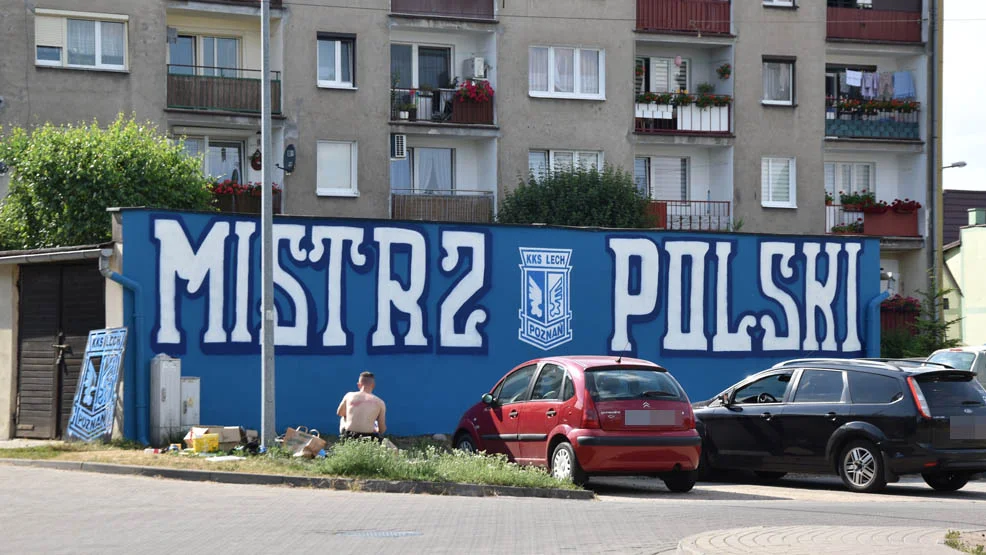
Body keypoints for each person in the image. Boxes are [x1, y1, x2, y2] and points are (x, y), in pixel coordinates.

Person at [337, 371, 386, 442]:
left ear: (358, 385)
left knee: (343, 417)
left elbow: (340, 413)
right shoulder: (380, 402)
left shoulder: (349, 395)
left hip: (349, 436)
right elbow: (382, 429)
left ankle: (343, 439)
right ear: (373, 385)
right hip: (369, 437)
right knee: (375, 423)